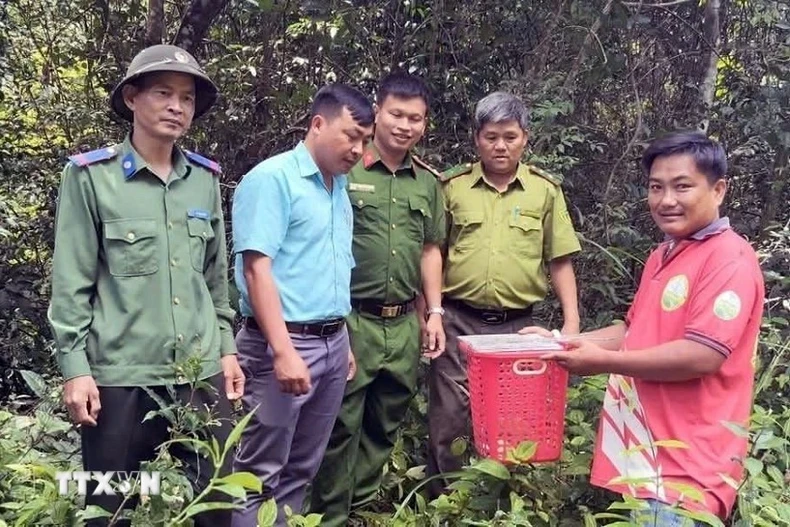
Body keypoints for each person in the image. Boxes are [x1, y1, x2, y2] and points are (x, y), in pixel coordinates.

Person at [524, 131, 764, 525]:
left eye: (682, 186)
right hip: (647, 461)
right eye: (656, 187)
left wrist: (602, 362)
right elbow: (631, 331)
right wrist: (563, 341)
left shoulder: (728, 258)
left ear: (719, 190)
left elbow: (703, 355)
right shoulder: (663, 254)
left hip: (687, 476)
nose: (666, 200)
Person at [47, 44, 244, 527]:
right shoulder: (91, 177)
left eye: (188, 98)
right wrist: (75, 370)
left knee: (216, 506)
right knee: (107, 508)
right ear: (132, 98)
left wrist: (226, 350)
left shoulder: (204, 179)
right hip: (118, 374)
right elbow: (71, 282)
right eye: (163, 93)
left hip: (199, 373)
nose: (178, 106)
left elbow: (214, 280)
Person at [230, 84, 375, 526]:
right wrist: (282, 350)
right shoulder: (272, 180)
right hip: (284, 344)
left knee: (301, 469)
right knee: (258, 475)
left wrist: (341, 339)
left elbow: (327, 266)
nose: (357, 149)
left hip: (331, 343)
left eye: (365, 140)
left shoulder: (337, 186)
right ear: (317, 124)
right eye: (351, 135)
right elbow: (258, 270)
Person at [427, 91, 582, 495]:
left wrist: (571, 323)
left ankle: (498, 501)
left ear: (525, 138)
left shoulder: (543, 191)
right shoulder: (452, 187)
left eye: (509, 136)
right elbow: (433, 255)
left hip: (517, 327)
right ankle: (448, 498)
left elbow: (560, 258)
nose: (500, 145)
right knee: (451, 415)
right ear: (476, 138)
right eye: (491, 136)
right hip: (458, 319)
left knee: (511, 417)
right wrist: (430, 312)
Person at [309, 72, 446, 526]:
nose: (405, 126)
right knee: (339, 423)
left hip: (404, 321)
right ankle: (328, 514)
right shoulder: (346, 168)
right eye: (396, 114)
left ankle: (359, 509)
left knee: (386, 420)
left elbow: (430, 250)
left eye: (416, 118)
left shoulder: (426, 183)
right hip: (352, 318)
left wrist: (434, 313)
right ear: (378, 113)